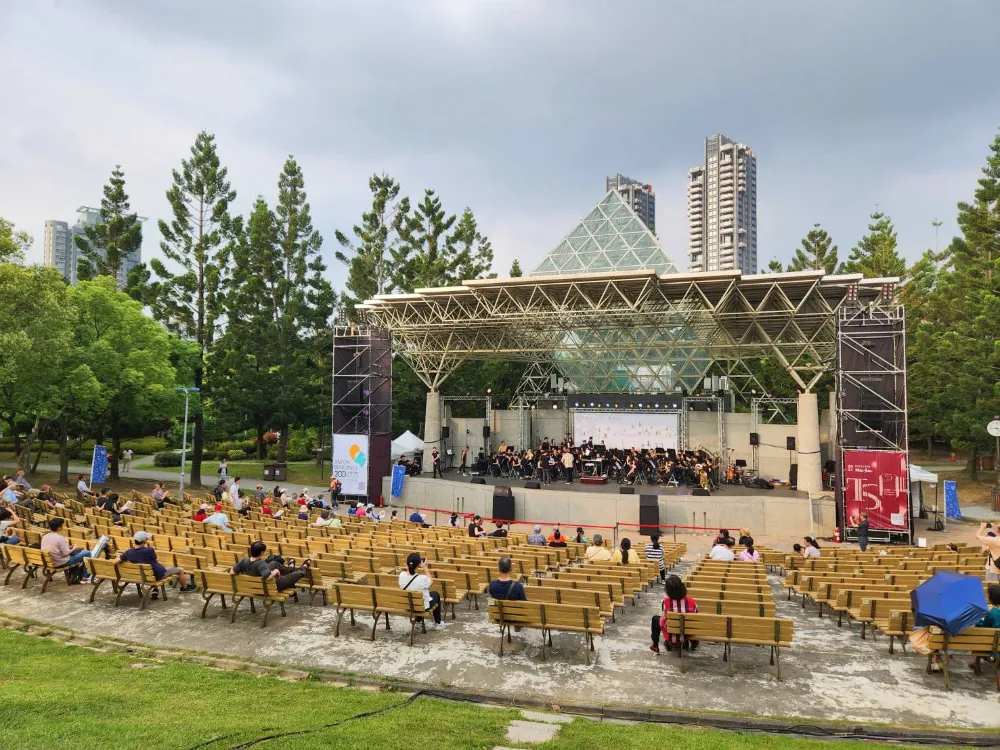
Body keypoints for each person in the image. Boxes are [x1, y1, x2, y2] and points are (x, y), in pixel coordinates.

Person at [120, 531, 196, 594]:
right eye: (147, 538)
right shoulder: (149, 550)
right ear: (144, 540)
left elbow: (115, 561)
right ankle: (184, 587)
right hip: (157, 575)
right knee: (180, 570)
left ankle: (155, 589)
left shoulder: (128, 552)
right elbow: (154, 559)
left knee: (152, 567)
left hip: (142, 576)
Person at [231, 541, 312, 592]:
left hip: (256, 586)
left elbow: (232, 572)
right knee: (299, 574)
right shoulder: (261, 564)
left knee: (273, 563)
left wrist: (245, 574)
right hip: (273, 585)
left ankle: (291, 568)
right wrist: (275, 571)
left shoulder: (244, 560)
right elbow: (268, 577)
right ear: (262, 552)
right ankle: (303, 568)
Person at [650, 574, 699, 654]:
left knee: (655, 619)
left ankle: (655, 645)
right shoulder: (692, 602)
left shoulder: (666, 602)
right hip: (687, 634)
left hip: (671, 632)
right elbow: (696, 617)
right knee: (692, 622)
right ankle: (693, 643)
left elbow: (664, 618)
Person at [398, 552, 444, 629]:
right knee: (436, 594)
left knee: (421, 595)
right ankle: (438, 623)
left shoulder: (401, 575)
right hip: (421, 606)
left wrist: (409, 567)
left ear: (407, 564)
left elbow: (408, 573)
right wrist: (425, 567)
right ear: (419, 564)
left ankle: (419, 621)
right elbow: (431, 582)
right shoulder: (422, 579)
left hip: (408, 605)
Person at [40, 518, 91, 582]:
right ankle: (85, 575)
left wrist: (68, 547)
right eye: (62, 525)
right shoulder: (60, 538)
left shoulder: (45, 536)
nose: (63, 526)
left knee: (77, 553)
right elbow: (66, 553)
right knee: (87, 553)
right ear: (59, 528)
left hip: (49, 561)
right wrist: (74, 548)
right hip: (61, 562)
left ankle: (77, 575)